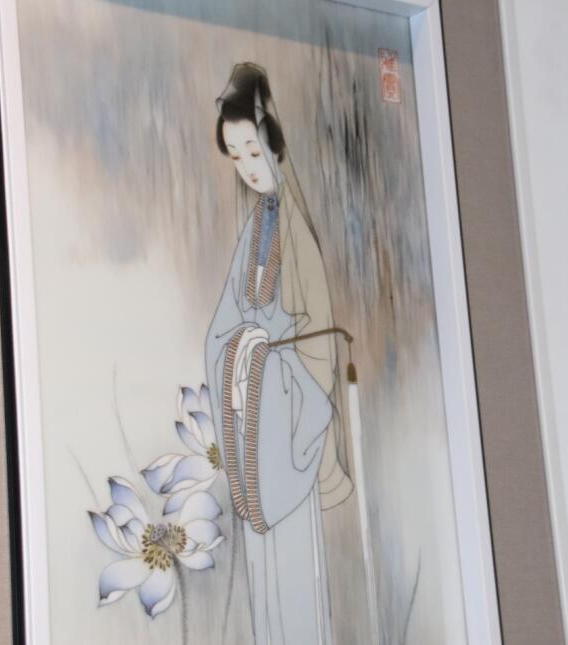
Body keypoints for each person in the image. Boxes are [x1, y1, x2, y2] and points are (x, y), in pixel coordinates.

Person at [204, 62, 353, 645]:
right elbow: (223, 325)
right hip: (253, 420)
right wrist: (243, 348)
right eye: (235, 155)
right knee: (264, 592)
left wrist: (270, 356)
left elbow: (319, 340)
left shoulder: (298, 230)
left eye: (252, 151)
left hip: (286, 422)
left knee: (294, 584)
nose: (247, 166)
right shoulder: (255, 227)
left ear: (275, 143)